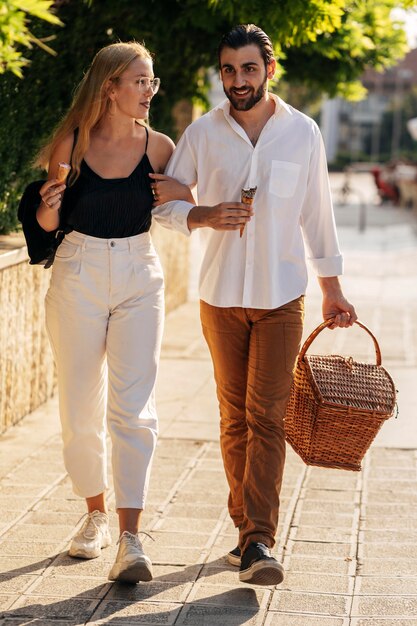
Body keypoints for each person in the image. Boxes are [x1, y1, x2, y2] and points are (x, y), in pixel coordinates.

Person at [151, 24, 357, 586]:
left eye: (248, 68)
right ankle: (245, 528)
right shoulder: (202, 134)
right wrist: (204, 214)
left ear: (269, 69)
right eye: (227, 70)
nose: (237, 80)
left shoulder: (302, 132)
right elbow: (161, 202)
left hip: (281, 296)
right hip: (218, 296)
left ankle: (259, 539)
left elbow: (317, 212)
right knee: (233, 417)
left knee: (266, 415)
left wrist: (331, 287)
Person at [35, 41, 190, 584]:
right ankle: (94, 514)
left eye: (152, 81)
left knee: (134, 408)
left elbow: (181, 207)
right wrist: (48, 207)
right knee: (80, 408)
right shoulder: (72, 144)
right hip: (77, 271)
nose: (149, 91)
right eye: (140, 81)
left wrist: (189, 193)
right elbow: (46, 228)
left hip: (137, 275)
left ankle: (130, 536)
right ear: (110, 87)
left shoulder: (160, 147)